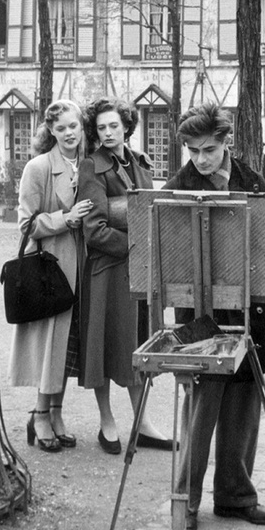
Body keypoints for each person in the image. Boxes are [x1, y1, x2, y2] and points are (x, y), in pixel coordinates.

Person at [163, 101, 265, 530]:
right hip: (203, 319)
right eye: (193, 150)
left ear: (225, 143)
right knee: (200, 413)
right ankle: (187, 503)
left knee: (242, 410)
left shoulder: (253, 181)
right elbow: (165, 255)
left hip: (253, 313)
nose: (200, 159)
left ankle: (235, 497)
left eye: (209, 150)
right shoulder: (177, 187)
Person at [77, 97, 172, 454]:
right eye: (101, 128)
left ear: (126, 126)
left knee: (136, 345)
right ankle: (107, 422)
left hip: (139, 270)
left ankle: (143, 422)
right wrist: (137, 245)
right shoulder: (92, 167)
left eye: (113, 126)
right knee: (103, 346)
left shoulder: (140, 162)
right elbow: (95, 229)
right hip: (107, 270)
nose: (108, 133)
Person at [8, 100, 93, 453]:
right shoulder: (39, 167)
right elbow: (26, 223)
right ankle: (40, 415)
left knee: (68, 345)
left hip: (81, 266)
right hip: (50, 268)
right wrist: (65, 218)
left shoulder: (88, 165)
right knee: (51, 345)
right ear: (51, 132)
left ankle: (57, 414)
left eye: (73, 126)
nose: (69, 133)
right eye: (61, 129)